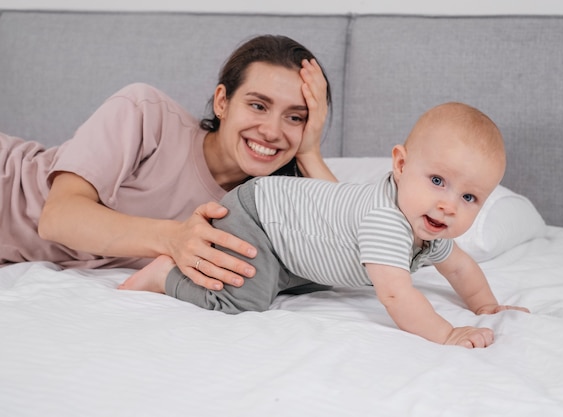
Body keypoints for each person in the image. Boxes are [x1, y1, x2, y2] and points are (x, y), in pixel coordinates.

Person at [120, 102, 530, 348]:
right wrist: (446, 334)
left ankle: (275, 273)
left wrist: (484, 305)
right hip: (258, 218)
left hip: (288, 237)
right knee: (246, 300)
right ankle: (165, 276)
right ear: (401, 165)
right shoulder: (385, 221)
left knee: (318, 279)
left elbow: (460, 266)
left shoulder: (428, 225)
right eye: (438, 181)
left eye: (469, 197)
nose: (448, 205)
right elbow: (397, 295)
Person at [0, 34, 336, 292]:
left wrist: (309, 152)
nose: (272, 131)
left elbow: (346, 257)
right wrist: (174, 237)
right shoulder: (147, 113)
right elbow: (58, 218)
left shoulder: (265, 208)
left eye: (295, 117)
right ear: (223, 101)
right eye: (258, 106)